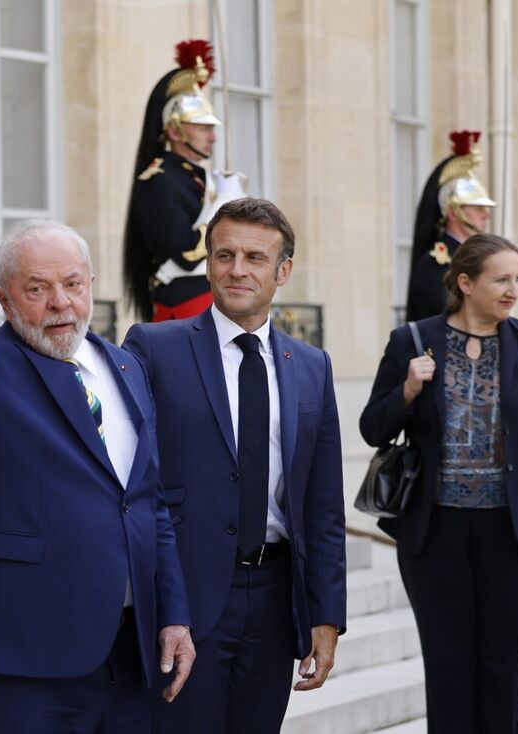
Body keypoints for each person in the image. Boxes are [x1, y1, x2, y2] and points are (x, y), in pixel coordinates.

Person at [0, 220, 195, 733]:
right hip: (20, 653)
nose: (60, 303)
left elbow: (150, 505)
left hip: (130, 654)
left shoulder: (127, 367)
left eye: (73, 284)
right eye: (37, 289)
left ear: (91, 282)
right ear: (4, 298)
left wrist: (174, 613)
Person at [124, 197, 347, 733]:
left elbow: (322, 503)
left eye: (254, 257)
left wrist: (326, 614)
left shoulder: (312, 367)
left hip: (274, 598)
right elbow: (135, 486)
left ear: (283, 270)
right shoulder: (154, 348)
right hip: (185, 595)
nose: (237, 269)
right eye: (224, 255)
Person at [361, 234, 518, 734]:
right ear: (465, 283)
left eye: (517, 278)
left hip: (515, 534)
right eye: (501, 279)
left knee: (509, 663)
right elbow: (372, 428)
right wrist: (409, 390)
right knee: (448, 661)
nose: (513, 289)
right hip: (435, 533)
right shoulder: (410, 341)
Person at [124, 40, 224, 323]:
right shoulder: (159, 180)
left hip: (211, 298)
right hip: (185, 302)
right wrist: (225, 212)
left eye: (210, 127)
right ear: (175, 131)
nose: (212, 136)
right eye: (201, 127)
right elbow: (187, 251)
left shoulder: (196, 177)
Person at [404, 130, 497, 322]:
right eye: (477, 207)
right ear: (453, 212)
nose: (485, 214)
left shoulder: (482, 257)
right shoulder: (434, 264)